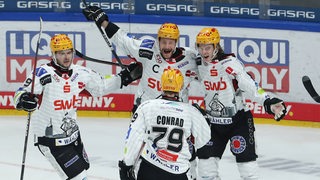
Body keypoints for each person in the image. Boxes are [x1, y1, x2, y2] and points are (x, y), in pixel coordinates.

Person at [82, 6, 200, 179]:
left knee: (185, 153)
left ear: (176, 42)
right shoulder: (147, 50)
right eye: (163, 41)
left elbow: (210, 74)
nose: (166, 46)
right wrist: (102, 20)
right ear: (158, 40)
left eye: (171, 42)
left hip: (175, 114)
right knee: (138, 149)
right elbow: (122, 39)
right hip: (145, 112)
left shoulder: (189, 60)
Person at [13, 34, 142, 180]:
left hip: (73, 136)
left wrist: (125, 77)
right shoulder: (42, 74)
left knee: (83, 170)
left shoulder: (80, 73)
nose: (66, 57)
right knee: (79, 177)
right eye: (62, 53)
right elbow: (21, 93)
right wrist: (23, 100)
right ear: (53, 54)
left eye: (69, 52)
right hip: (51, 141)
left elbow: (101, 86)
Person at [194, 27, 287, 179]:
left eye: (208, 47)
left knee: (248, 170)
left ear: (216, 47)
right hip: (212, 124)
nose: (204, 52)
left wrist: (267, 101)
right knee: (205, 171)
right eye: (201, 47)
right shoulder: (198, 63)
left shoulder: (229, 63)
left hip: (238, 122)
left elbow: (248, 84)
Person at [118, 68, 211, 180]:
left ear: (161, 85)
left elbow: (133, 138)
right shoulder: (191, 111)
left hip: (150, 168)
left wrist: (126, 165)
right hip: (178, 172)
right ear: (181, 87)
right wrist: (204, 119)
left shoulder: (146, 107)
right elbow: (204, 139)